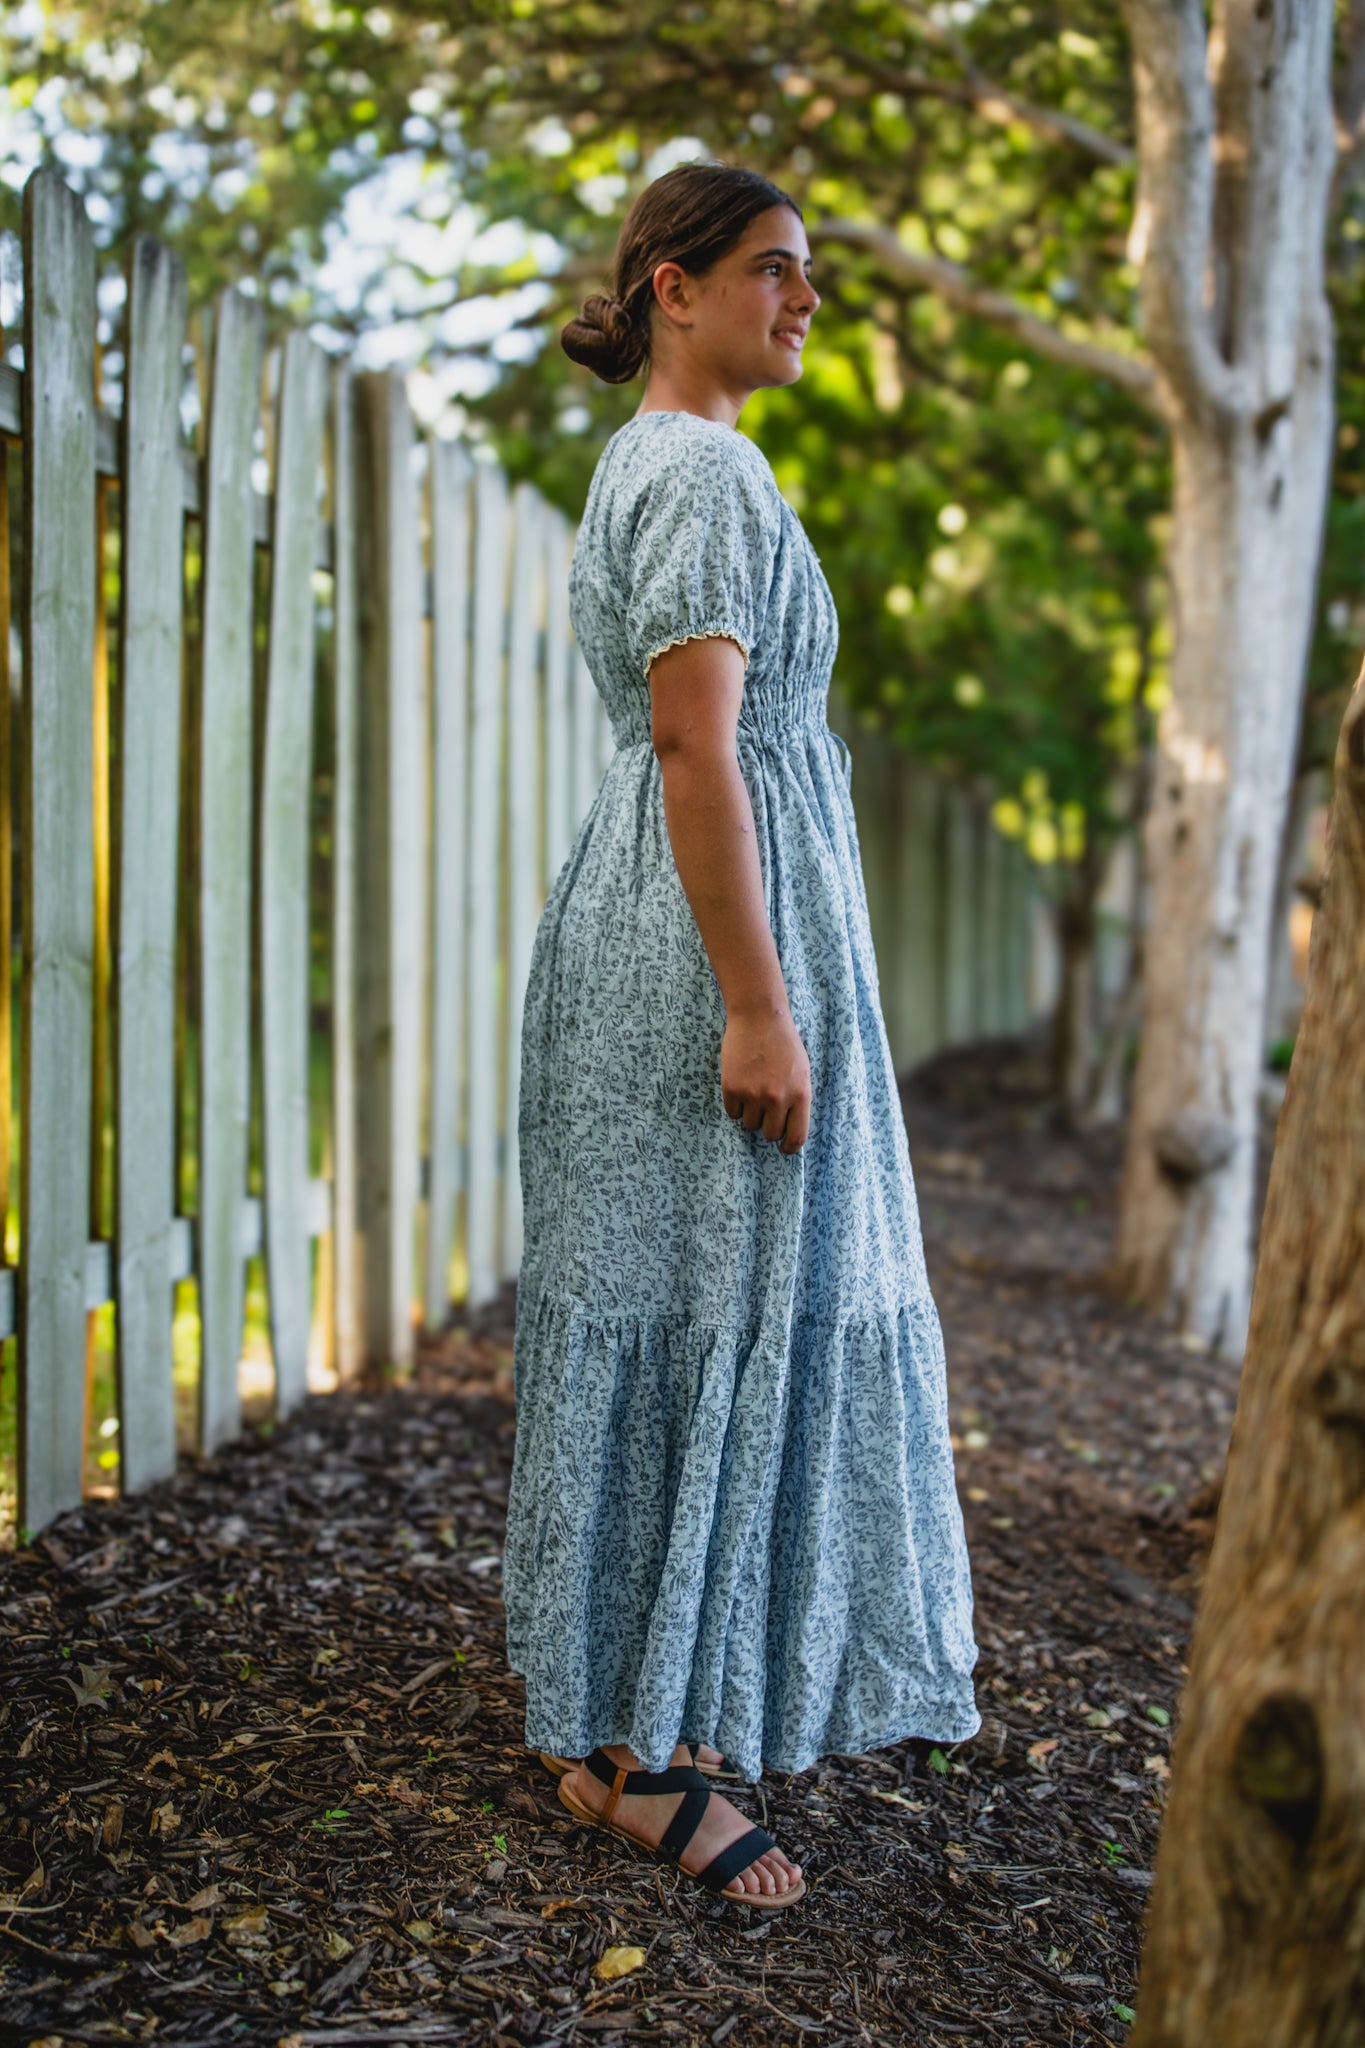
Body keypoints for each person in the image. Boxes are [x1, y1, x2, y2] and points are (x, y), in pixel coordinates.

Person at [501, 160, 980, 1911]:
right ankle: (651, 1762)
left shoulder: (662, 461)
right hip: (702, 958)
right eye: (775, 270)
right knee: (712, 1303)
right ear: (670, 287)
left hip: (669, 934)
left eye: (813, 275)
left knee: (701, 1303)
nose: (805, 300)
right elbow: (702, 750)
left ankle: (622, 1730)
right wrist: (762, 1006)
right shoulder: (696, 467)